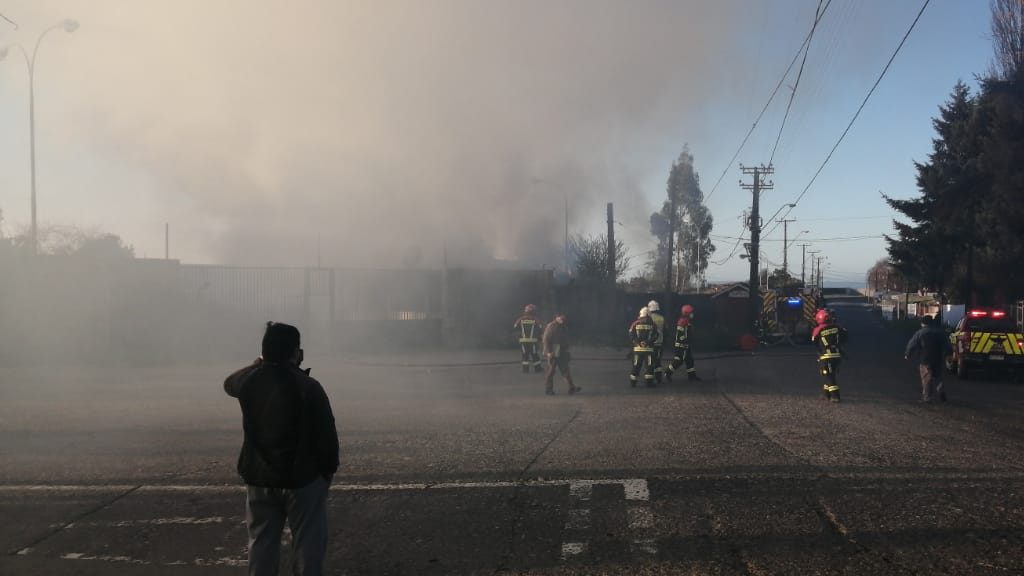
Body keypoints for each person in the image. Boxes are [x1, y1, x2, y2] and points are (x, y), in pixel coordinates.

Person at [224, 322, 340, 576]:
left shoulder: (249, 381)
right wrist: (327, 472)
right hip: (303, 479)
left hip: (260, 477)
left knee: (261, 542)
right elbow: (327, 435)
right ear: (295, 352)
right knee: (309, 542)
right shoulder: (309, 387)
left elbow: (229, 382)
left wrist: (257, 364)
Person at [904, 314, 951, 402]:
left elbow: (912, 344)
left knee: (926, 378)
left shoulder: (920, 333)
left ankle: (927, 397)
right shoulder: (939, 332)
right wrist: (949, 354)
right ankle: (941, 392)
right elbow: (947, 344)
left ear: (923, 323)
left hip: (925, 359)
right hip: (938, 358)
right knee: (938, 377)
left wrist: (907, 354)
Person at [811, 308, 847, 403]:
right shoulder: (837, 327)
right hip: (837, 356)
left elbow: (814, 342)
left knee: (829, 376)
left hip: (826, 357)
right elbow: (845, 336)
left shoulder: (818, 330)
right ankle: (826, 395)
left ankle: (835, 396)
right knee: (827, 375)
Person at [542, 314, 580, 395]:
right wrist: (548, 352)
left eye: (564, 317)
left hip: (562, 350)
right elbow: (545, 339)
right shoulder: (551, 326)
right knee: (551, 371)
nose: (563, 319)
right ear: (556, 317)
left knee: (565, 370)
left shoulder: (563, 326)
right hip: (554, 350)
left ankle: (572, 388)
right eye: (561, 317)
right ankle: (549, 390)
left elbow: (565, 339)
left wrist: (567, 350)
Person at [665, 304, 701, 382]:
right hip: (682, 346)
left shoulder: (687, 321)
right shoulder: (682, 321)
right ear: (686, 313)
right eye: (691, 312)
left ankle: (692, 376)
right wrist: (685, 341)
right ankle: (668, 373)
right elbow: (680, 334)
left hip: (685, 345)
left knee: (689, 360)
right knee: (678, 361)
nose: (692, 314)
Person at [628, 307, 659, 387]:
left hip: (638, 350)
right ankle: (649, 383)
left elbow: (631, 334)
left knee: (636, 366)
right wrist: (647, 342)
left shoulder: (635, 323)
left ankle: (633, 382)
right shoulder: (653, 324)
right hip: (649, 350)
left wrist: (637, 343)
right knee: (649, 366)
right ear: (648, 315)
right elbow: (656, 335)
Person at [513, 304, 544, 373]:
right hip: (533, 341)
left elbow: (515, 327)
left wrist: (520, 334)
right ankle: (538, 369)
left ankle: (525, 370)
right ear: (533, 311)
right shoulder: (536, 319)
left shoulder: (520, 319)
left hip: (523, 341)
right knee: (534, 355)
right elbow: (540, 328)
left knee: (525, 355)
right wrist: (540, 337)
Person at [647, 300, 666, 384]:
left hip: (650, 343)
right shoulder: (662, 318)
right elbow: (665, 330)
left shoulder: (648, 318)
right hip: (659, 342)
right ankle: (658, 378)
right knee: (658, 361)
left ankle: (649, 378)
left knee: (650, 361)